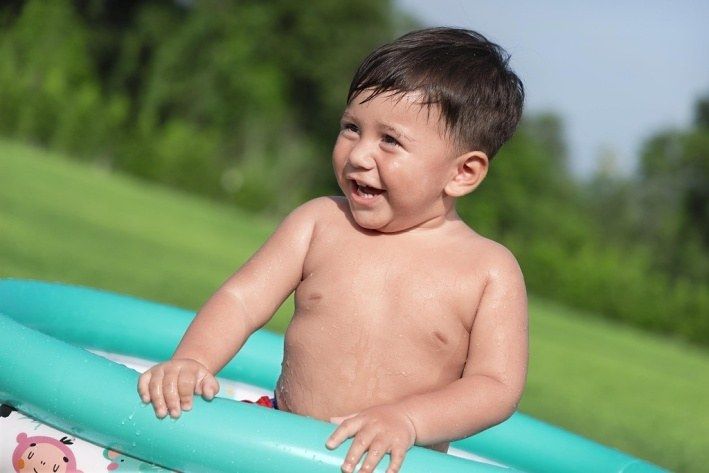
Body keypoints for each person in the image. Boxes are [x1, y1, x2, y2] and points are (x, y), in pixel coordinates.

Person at [138, 27, 528, 473]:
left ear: (463, 173)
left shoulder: (487, 271)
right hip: (277, 443)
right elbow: (241, 300)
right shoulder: (320, 223)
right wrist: (192, 360)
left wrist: (408, 420)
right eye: (351, 128)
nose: (358, 155)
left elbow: (495, 386)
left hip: (389, 464)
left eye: (390, 140)